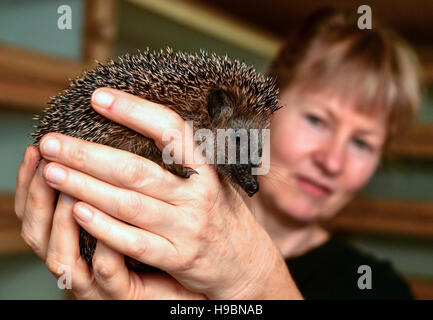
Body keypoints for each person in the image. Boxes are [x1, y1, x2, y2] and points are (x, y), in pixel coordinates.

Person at [14, 8, 420, 299]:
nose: (332, 160)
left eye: (363, 142)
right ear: (268, 101)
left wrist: (255, 281)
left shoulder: (377, 287)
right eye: (317, 120)